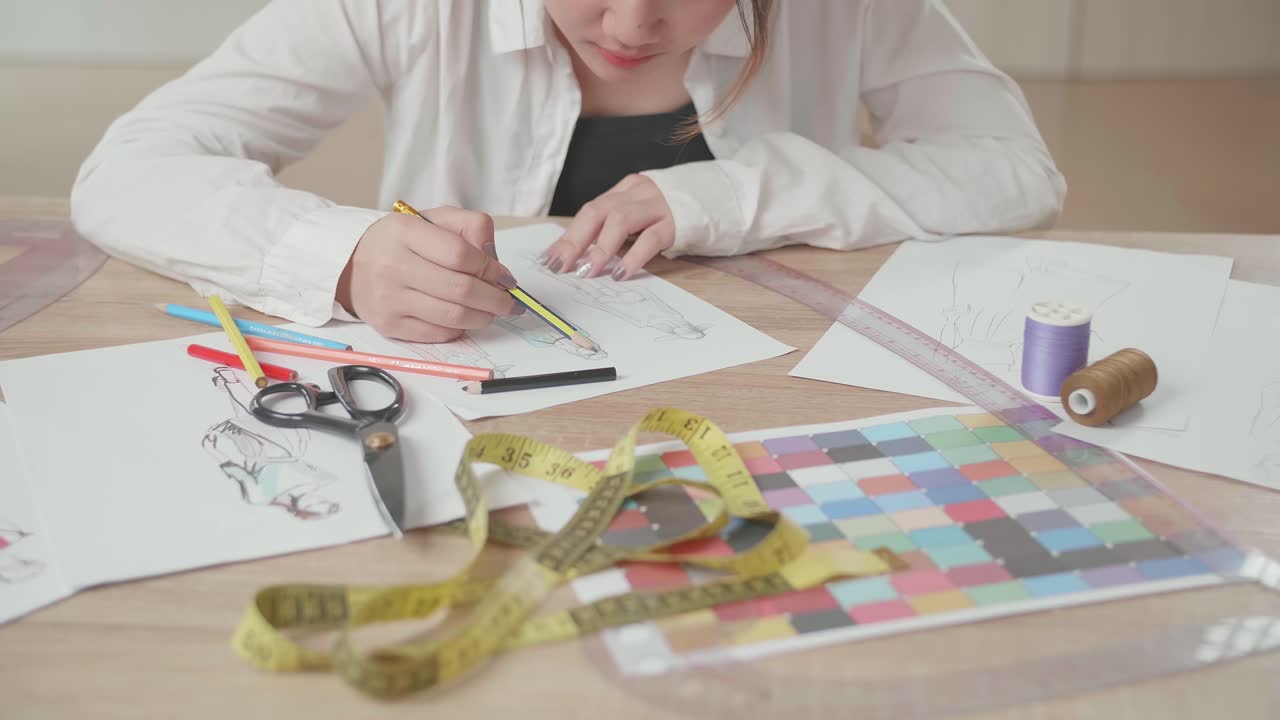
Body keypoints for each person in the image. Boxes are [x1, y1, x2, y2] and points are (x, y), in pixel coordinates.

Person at [70, 0, 1066, 345]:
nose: (632, 27)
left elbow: (1010, 169)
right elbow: (129, 171)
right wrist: (343, 255)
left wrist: (726, 194)